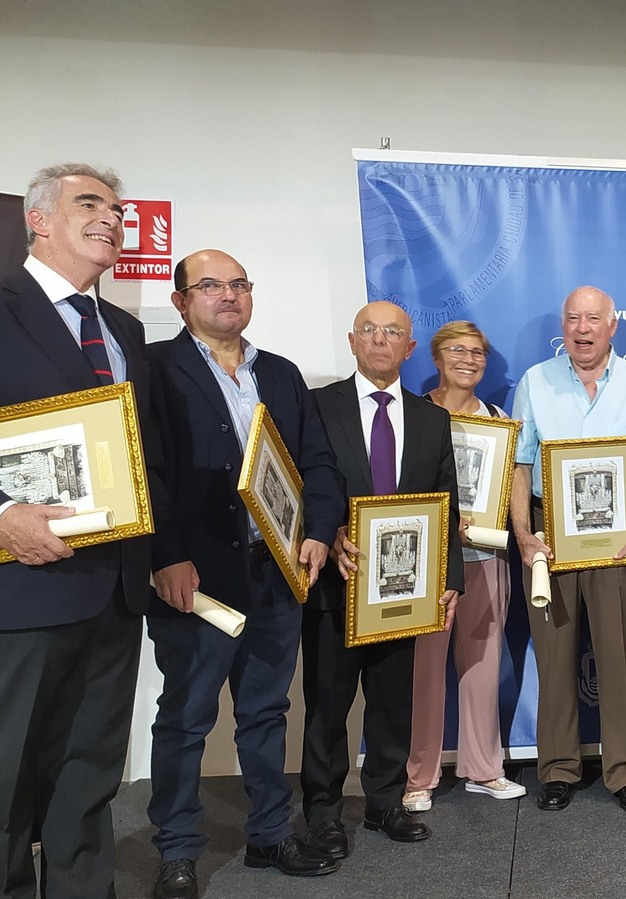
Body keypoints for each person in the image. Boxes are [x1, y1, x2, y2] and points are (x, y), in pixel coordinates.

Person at [0, 163, 159, 898]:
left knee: (89, 773)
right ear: (40, 220)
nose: (112, 218)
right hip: (13, 584)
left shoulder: (124, 328)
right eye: (90, 203)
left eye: (118, 209)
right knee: (3, 781)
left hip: (113, 588)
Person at [147, 249, 345, 896]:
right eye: (210, 285)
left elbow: (317, 463)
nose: (227, 296)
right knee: (187, 716)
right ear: (181, 301)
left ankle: (268, 834)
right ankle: (176, 848)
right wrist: (166, 556)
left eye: (238, 285)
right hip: (196, 580)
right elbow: (148, 476)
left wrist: (317, 531)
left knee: (265, 711)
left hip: (276, 572)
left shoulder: (281, 374)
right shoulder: (156, 371)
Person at [299, 301, 465, 859]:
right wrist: (328, 528)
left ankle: (385, 803)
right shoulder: (316, 407)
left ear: (410, 349)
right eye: (368, 330)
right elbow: (296, 487)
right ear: (351, 341)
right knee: (327, 706)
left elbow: (447, 503)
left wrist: (452, 580)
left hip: (403, 590)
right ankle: (323, 813)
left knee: (393, 701)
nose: (379, 340)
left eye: (392, 332)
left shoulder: (432, 418)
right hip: (334, 584)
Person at [509, 286, 626, 813]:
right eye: (572, 319)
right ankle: (557, 769)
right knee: (555, 656)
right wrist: (522, 533)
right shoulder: (535, 381)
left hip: (622, 536)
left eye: (592, 319)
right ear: (564, 326)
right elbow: (518, 464)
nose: (581, 329)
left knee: (623, 655)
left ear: (611, 325)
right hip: (550, 536)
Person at [405, 320, 526, 808]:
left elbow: (514, 479)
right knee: (424, 671)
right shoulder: (414, 414)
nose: (468, 360)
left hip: (485, 556)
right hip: (430, 561)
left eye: (477, 352)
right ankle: (420, 777)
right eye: (457, 350)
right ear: (436, 358)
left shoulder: (498, 418)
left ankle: (483, 768)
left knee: (482, 666)